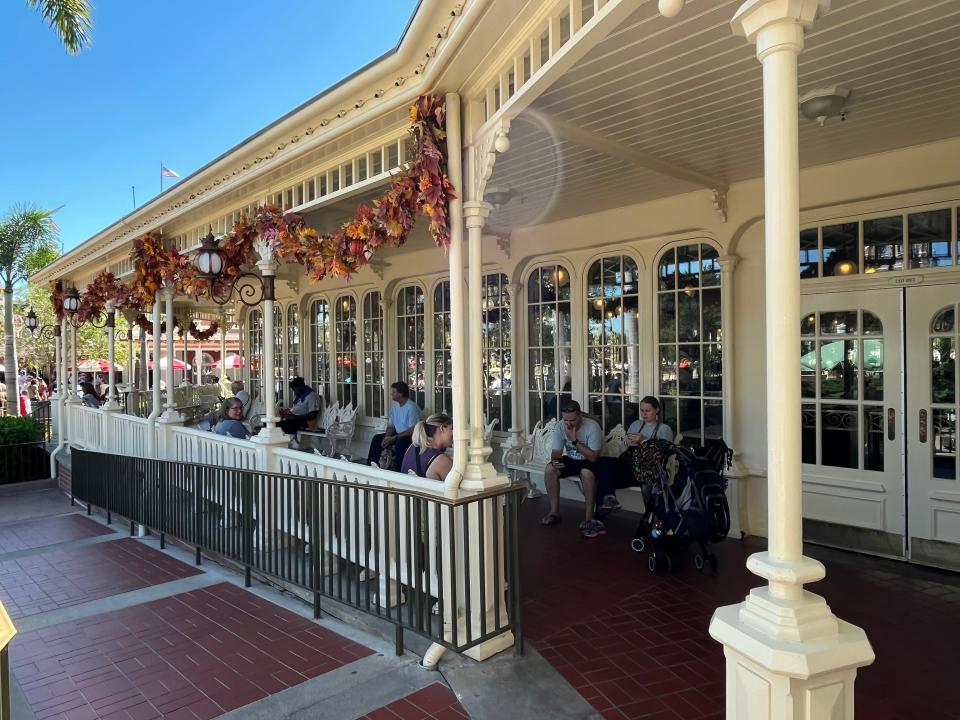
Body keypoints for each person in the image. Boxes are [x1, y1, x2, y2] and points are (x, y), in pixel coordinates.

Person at [540, 400, 606, 538]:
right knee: (550, 469)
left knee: (586, 473)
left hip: (590, 461)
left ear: (580, 415)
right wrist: (555, 461)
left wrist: (574, 440)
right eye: (565, 420)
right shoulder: (560, 426)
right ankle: (554, 512)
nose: (569, 424)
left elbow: (594, 457)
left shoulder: (592, 427)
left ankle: (589, 517)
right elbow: (556, 452)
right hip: (572, 459)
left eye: (572, 420)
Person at [597, 396, 674, 513]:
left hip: (647, 469)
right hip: (630, 463)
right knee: (604, 463)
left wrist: (643, 441)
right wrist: (626, 443)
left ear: (657, 410)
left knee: (606, 478)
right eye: (642, 410)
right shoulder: (636, 424)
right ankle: (607, 503)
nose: (644, 414)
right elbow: (623, 449)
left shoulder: (664, 429)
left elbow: (663, 453)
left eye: (648, 411)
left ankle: (601, 513)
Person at [366, 381, 420, 470]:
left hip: (410, 436)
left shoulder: (411, 407)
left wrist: (394, 438)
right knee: (377, 439)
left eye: (394, 392)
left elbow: (413, 429)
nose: (391, 394)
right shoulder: (395, 406)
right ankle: (371, 467)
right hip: (398, 434)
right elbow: (391, 425)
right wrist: (387, 437)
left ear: (401, 394)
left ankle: (399, 470)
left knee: (401, 442)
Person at [400, 413, 453, 480]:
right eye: (452, 428)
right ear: (442, 428)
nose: (455, 433)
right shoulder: (442, 460)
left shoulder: (412, 447)